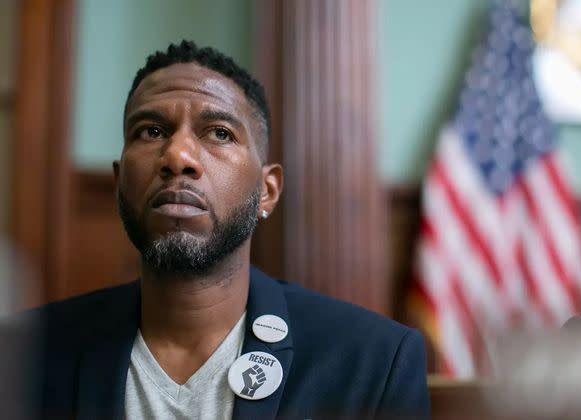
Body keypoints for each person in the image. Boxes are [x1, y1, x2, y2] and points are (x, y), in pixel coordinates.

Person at [26, 40, 430, 419]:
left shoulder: (373, 362)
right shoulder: (23, 355)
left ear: (267, 192)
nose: (178, 156)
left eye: (219, 132)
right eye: (151, 131)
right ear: (118, 185)